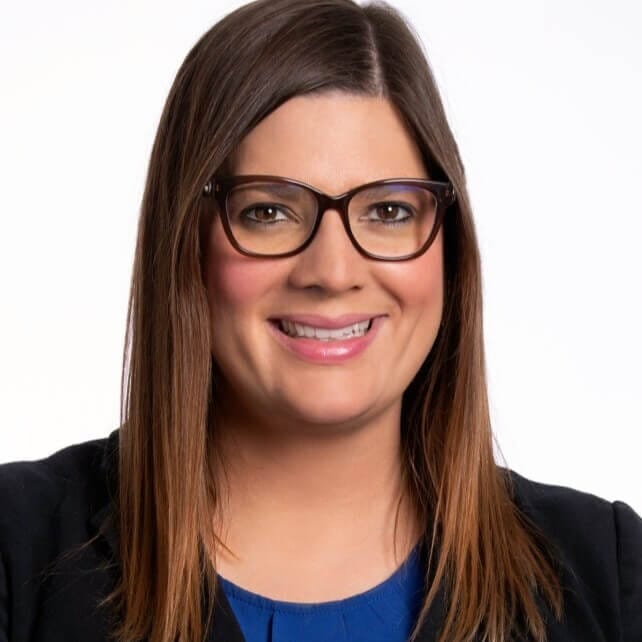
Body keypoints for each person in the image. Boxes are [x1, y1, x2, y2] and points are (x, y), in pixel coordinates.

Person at [1, 0, 641, 640]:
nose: (333, 271)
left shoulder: (606, 573)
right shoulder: (15, 552)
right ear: (185, 244)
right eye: (268, 212)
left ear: (449, 246)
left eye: (388, 212)